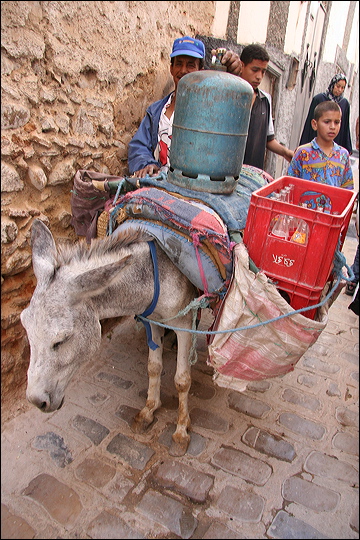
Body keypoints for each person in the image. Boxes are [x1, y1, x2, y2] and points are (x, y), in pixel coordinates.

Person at [127, 36, 242, 178]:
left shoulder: (211, 110)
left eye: (190, 65)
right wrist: (146, 164)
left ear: (201, 70)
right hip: (160, 184)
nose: (183, 70)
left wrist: (232, 74)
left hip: (193, 185)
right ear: (171, 68)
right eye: (179, 64)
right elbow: (138, 146)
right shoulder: (157, 111)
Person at [239, 43, 294, 170]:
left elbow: (269, 140)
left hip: (254, 173)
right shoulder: (230, 95)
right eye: (254, 70)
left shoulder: (265, 100)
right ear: (242, 66)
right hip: (228, 172)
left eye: (263, 71)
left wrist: (286, 153)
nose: (259, 77)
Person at [287, 100, 354, 190]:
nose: (332, 127)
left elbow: (347, 190)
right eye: (327, 122)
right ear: (315, 124)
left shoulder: (343, 155)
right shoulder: (303, 153)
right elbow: (289, 185)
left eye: (337, 122)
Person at [299, 73, 352, 154]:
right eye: (338, 86)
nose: (340, 90)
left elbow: (345, 126)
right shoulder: (319, 99)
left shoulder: (344, 104)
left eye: (343, 88)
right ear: (333, 85)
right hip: (316, 144)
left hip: (335, 145)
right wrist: (303, 145)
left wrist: (347, 148)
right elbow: (309, 123)